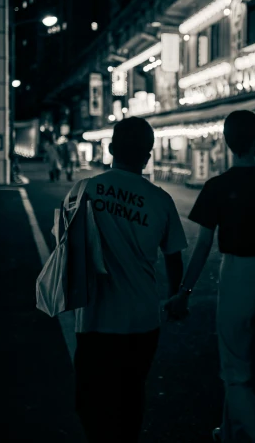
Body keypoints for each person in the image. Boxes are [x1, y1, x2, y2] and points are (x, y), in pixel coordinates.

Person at [165, 110, 255, 443]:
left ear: (226, 143)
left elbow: (203, 246)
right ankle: (229, 431)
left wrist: (185, 290)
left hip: (237, 272)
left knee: (235, 368)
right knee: (253, 360)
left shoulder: (217, 187)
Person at [72, 117, 188, 442]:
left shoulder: (85, 189)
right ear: (148, 156)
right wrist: (177, 297)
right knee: (131, 394)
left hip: (95, 317)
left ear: (110, 149)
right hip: (142, 318)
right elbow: (174, 255)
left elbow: (66, 248)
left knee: (91, 399)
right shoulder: (161, 199)